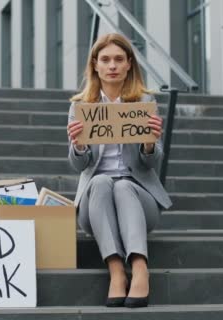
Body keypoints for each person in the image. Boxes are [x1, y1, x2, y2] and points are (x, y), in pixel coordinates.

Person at [66, 33, 173, 308]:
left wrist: (149, 144)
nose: (112, 65)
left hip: (139, 199)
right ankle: (116, 270)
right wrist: (78, 146)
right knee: (102, 181)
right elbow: (79, 166)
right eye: (105, 59)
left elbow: (151, 164)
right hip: (96, 202)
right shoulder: (81, 107)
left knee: (124, 186)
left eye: (118, 59)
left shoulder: (143, 103)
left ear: (128, 65)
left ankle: (139, 267)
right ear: (95, 65)